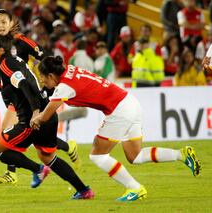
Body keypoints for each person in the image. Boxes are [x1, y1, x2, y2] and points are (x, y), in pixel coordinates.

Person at [30, 55, 201, 202]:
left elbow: (47, 115)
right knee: (135, 156)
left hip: (119, 110)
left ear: (52, 75)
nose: (42, 81)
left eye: (43, 77)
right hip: (130, 101)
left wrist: (35, 118)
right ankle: (181, 154)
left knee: (97, 155)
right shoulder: (69, 70)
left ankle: (134, 188)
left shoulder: (64, 87)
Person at [0, 35, 94, 199]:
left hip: (31, 121)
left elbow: (24, 85)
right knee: (48, 157)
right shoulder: (10, 64)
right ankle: (84, 191)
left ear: (1, 50)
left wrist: (34, 113)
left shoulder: (7, 66)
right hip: (47, 115)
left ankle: (38, 170)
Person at [0, 9, 80, 184]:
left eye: (3, 22)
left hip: (28, 95)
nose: (0, 26)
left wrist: (48, 83)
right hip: (12, 95)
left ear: (11, 23)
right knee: (29, 135)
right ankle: (67, 146)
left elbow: (46, 57)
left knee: (9, 134)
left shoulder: (22, 42)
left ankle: (13, 173)